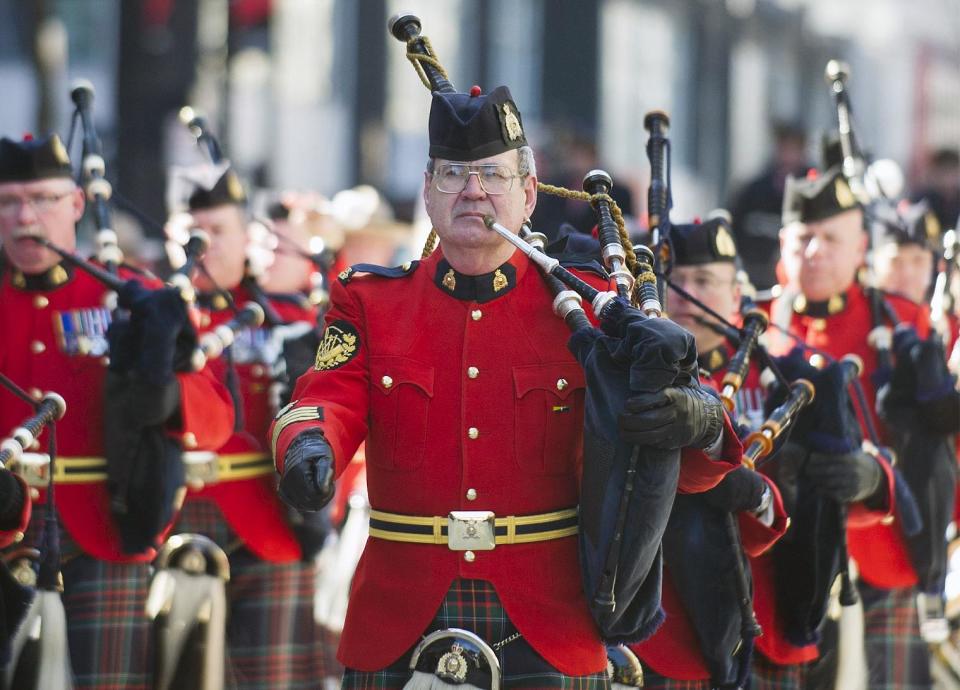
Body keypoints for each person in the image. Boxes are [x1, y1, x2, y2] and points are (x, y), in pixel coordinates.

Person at [270, 84, 744, 688]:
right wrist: (309, 444)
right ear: (427, 190)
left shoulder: (596, 311)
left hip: (549, 626)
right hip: (400, 619)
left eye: (492, 174)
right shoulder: (371, 301)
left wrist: (697, 420)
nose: (472, 191)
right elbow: (324, 399)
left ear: (528, 193)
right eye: (453, 174)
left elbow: (675, 470)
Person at [0, 134, 234, 688]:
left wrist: (172, 397)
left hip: (104, 526)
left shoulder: (136, 296)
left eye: (44, 199)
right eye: (9, 201)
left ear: (78, 204)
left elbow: (218, 416)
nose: (25, 215)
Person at [769, 165, 930, 689]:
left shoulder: (902, 322)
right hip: (792, 550)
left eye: (831, 239)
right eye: (804, 238)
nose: (815, 252)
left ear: (861, 246)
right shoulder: (757, 326)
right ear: (782, 246)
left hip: (890, 541)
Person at [174, 165, 335, 688]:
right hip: (164, 521)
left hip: (265, 522)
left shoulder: (283, 317)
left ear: (248, 237)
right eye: (188, 231)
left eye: (218, 232)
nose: (201, 245)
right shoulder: (145, 310)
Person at [629, 214, 790, 690]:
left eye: (703, 280)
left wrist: (755, 492)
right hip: (649, 623)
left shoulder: (778, 375)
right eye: (673, 281)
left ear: (737, 294)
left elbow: (796, 503)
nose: (684, 294)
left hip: (756, 617)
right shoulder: (627, 372)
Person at [729, 122, 809, 296]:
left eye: (793, 149)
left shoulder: (812, 194)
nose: (788, 157)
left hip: (797, 286)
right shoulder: (752, 192)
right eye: (784, 149)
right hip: (754, 284)